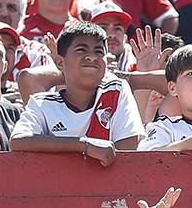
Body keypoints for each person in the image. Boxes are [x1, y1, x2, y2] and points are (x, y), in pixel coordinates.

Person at [10, 21, 145, 163]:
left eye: (99, 52)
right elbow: (17, 141)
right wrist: (84, 145)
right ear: (60, 63)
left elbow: (127, 153)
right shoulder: (41, 103)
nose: (92, 57)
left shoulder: (116, 90)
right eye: (82, 50)